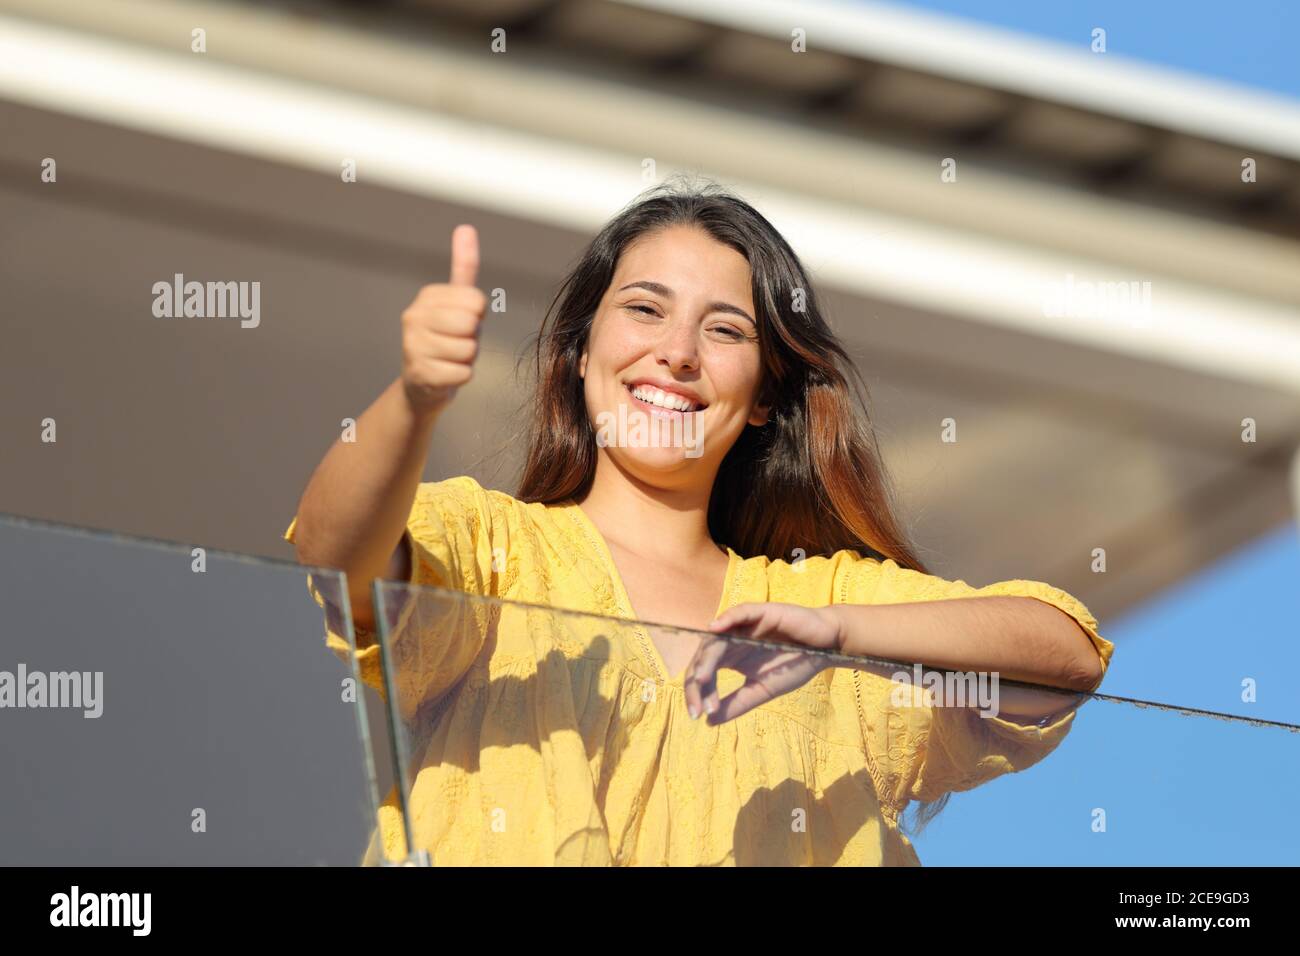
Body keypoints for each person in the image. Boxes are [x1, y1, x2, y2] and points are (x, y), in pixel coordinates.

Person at [285, 178, 1113, 866]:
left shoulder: (818, 601)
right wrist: (414, 400)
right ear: (579, 353)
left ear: (762, 400)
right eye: (645, 310)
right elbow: (333, 554)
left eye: (724, 330)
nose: (677, 353)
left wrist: (835, 635)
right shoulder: (495, 552)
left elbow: (1067, 654)